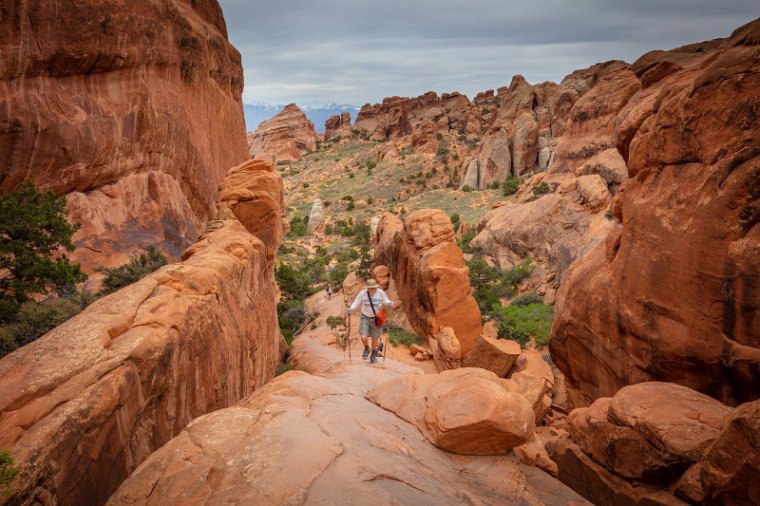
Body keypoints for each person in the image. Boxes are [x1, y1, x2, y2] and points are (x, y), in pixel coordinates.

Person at [346, 279, 393, 363]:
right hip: (365, 317)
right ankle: (367, 348)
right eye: (370, 288)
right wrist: (351, 309)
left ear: (376, 287)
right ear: (367, 288)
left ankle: (373, 356)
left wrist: (389, 303)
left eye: (373, 288)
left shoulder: (380, 292)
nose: (372, 290)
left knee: (375, 338)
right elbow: (356, 303)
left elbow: (385, 300)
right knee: (363, 336)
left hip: (377, 317)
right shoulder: (363, 294)